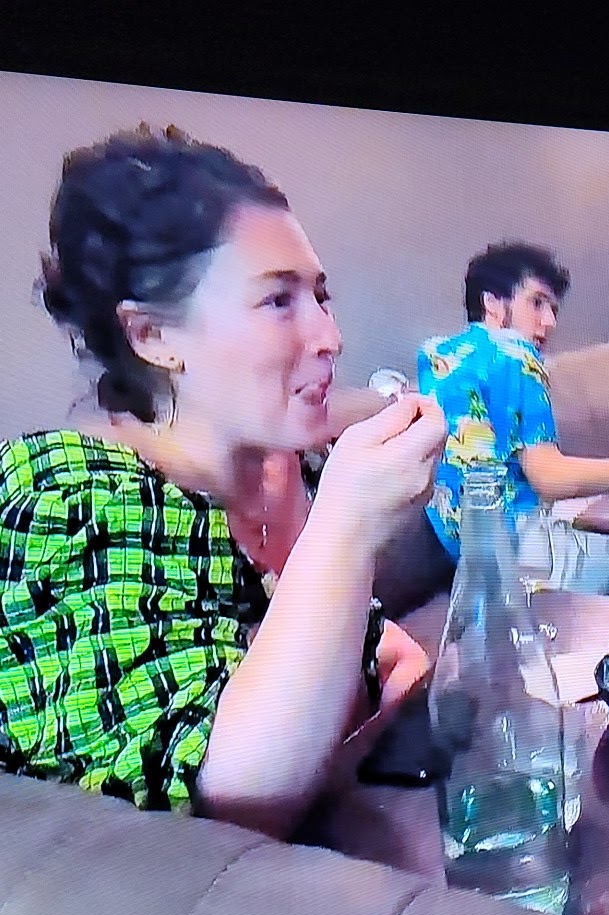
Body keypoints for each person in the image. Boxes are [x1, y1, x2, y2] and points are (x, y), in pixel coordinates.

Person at [0, 126, 446, 841]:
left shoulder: (283, 465)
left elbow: (394, 655)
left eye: (320, 296)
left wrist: (325, 750)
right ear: (152, 337)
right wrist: (349, 525)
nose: (330, 336)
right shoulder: (62, 500)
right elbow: (236, 804)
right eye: (278, 301)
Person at [418, 241, 609, 558]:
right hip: (523, 555)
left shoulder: (437, 355)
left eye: (553, 309)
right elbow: (548, 477)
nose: (550, 321)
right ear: (492, 303)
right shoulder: (516, 355)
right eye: (537, 303)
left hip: (466, 553)